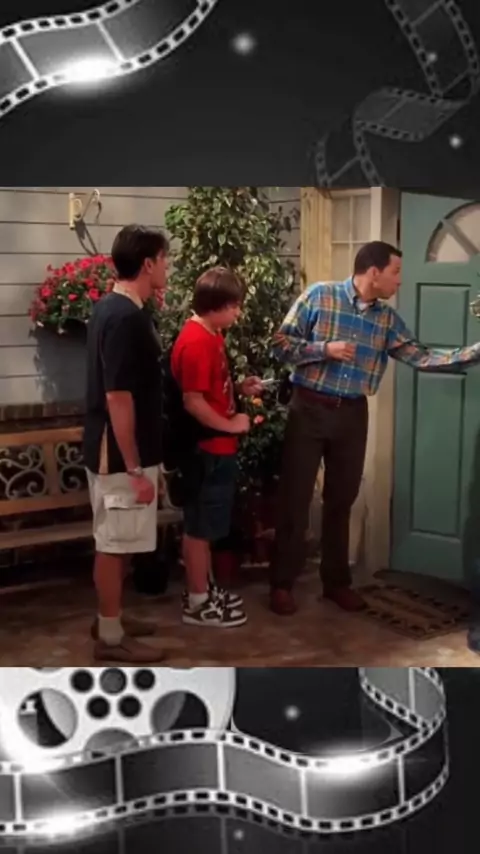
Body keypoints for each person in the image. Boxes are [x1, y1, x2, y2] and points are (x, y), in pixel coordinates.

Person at [269, 240, 480, 616]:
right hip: (308, 408)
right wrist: (324, 349)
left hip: (352, 414)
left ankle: (336, 583)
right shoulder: (319, 296)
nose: (400, 281)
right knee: (295, 500)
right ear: (373, 272)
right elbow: (280, 344)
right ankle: (282, 584)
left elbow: (423, 357)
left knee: (342, 500)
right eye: (396, 272)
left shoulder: (386, 320)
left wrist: (475, 351)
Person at [83, 224, 168, 662]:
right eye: (165, 259)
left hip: (124, 451)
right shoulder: (123, 318)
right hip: (117, 456)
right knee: (113, 545)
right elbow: (118, 396)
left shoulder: (116, 308)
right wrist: (134, 468)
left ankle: (110, 619)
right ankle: (112, 638)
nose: (168, 267)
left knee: (122, 540)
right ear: (148, 264)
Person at [171, 266, 264, 627]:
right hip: (206, 449)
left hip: (218, 447)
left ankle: (205, 589)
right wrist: (231, 424)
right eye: (234, 305)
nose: (238, 312)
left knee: (208, 526)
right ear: (216, 305)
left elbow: (210, 389)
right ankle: (197, 601)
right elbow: (193, 401)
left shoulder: (213, 335)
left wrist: (238, 389)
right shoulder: (196, 342)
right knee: (199, 527)